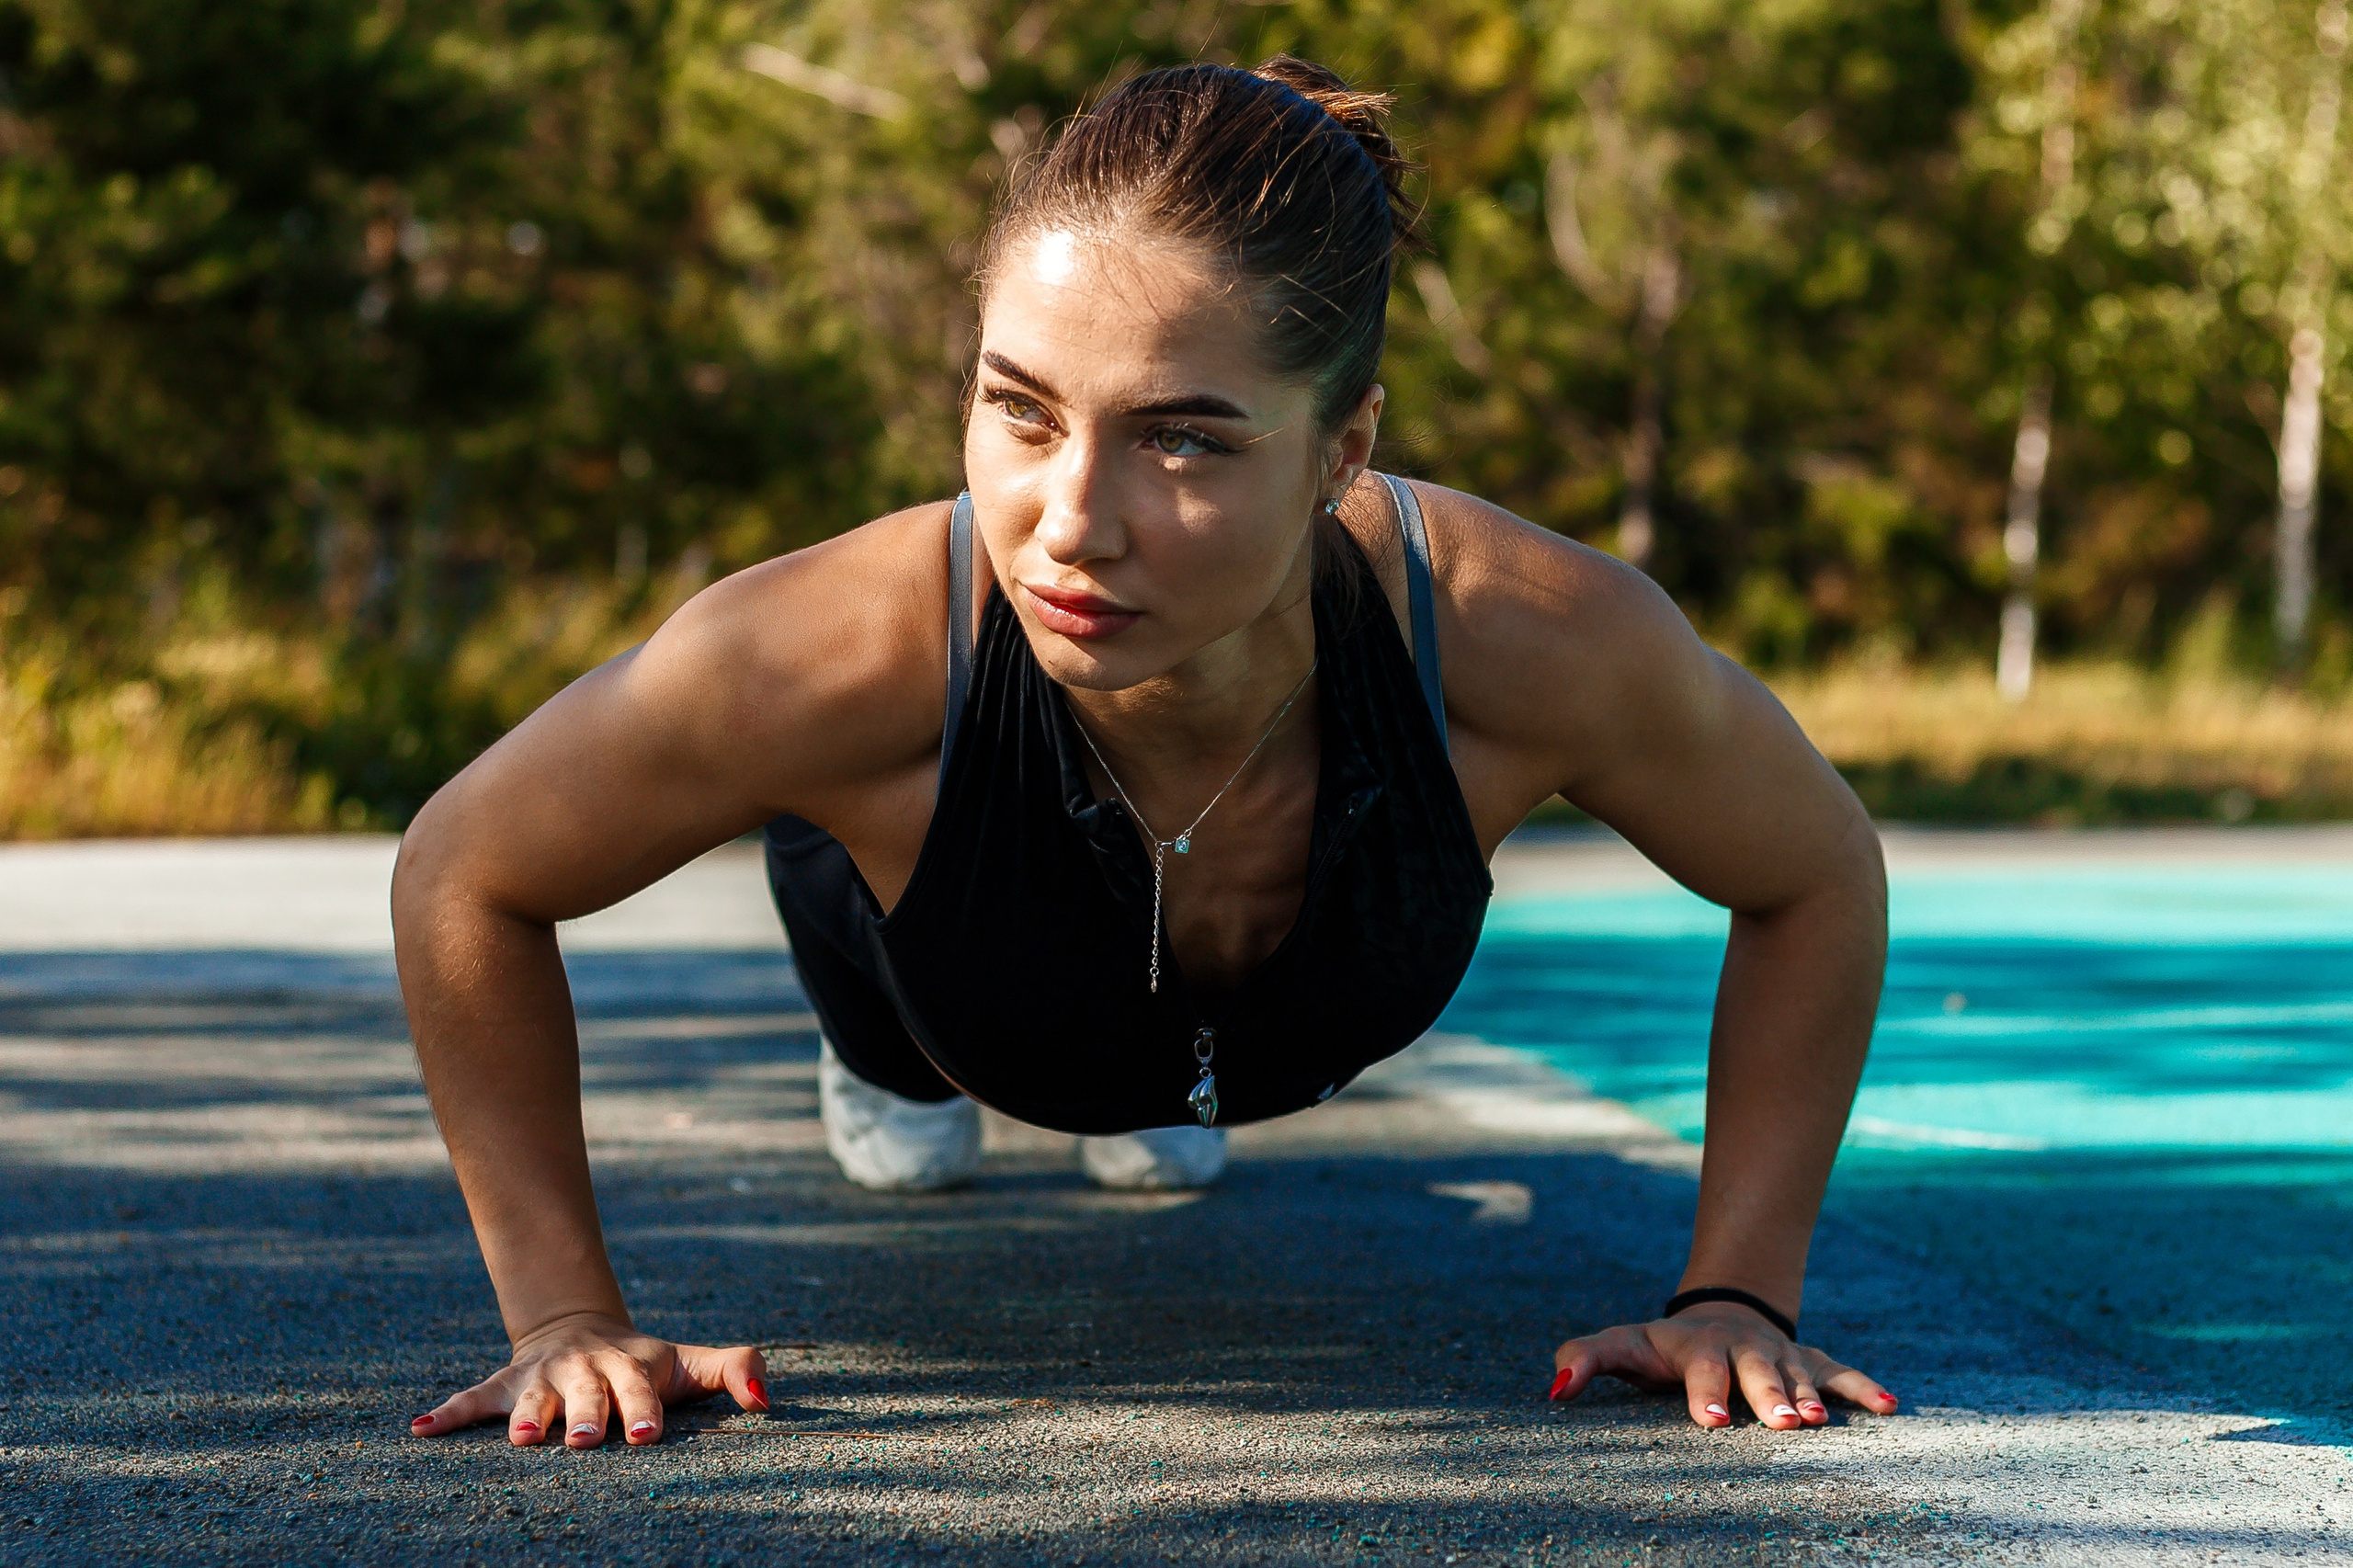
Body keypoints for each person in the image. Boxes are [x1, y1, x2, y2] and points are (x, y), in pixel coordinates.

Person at [393, 56, 1896, 1452]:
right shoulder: (831, 657)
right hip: (945, 986)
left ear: (1344, 447)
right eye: (1019, 410)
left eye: (1184, 438)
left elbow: (1816, 867)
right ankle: (890, 1070)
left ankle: (1166, 1078)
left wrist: (1739, 1295)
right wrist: (563, 1317)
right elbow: (467, 869)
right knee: (914, 1080)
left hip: (1262, 1020)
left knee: (1167, 1088)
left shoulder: (1520, 639)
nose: (1071, 519)